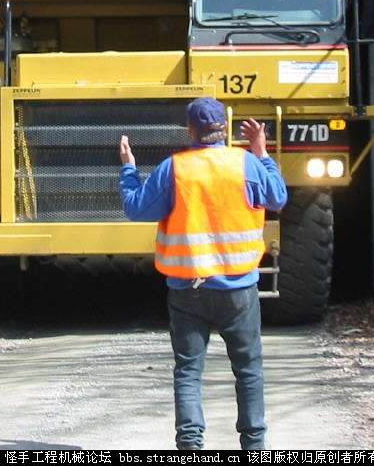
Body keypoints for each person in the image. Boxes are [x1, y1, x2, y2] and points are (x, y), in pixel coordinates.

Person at [118, 97, 288, 450]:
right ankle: (254, 446)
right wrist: (262, 153)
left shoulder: (175, 169)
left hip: (188, 289)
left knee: (188, 371)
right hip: (239, 290)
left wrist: (128, 169)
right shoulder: (246, 165)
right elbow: (278, 198)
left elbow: (136, 209)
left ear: (191, 130)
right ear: (224, 129)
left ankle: (191, 446)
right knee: (248, 369)